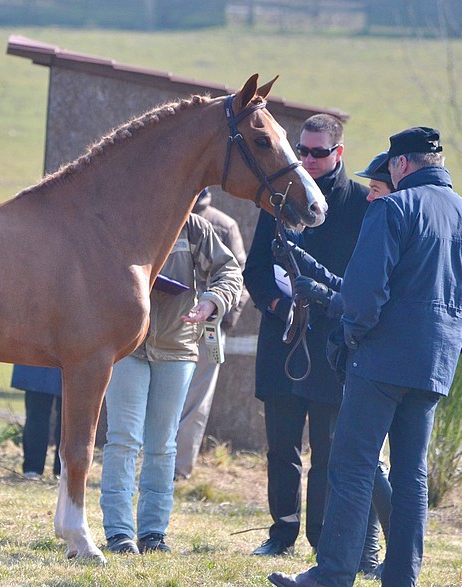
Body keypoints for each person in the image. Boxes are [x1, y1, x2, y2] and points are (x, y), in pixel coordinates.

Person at [268, 128, 462, 587]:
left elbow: (364, 295)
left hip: (381, 360)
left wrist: (351, 337)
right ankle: (401, 578)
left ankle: (333, 575)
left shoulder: (393, 207)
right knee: (412, 475)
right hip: (435, 360)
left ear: (400, 165)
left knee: (352, 464)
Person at [244, 114, 369, 557]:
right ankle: (282, 533)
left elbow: (365, 278)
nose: (309, 160)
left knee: (328, 451)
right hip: (283, 339)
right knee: (281, 448)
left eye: (318, 152)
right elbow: (254, 270)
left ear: (339, 153)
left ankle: (321, 537)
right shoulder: (279, 198)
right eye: (303, 151)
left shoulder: (360, 202)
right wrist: (279, 307)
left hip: (335, 343)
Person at [100, 213, 242, 555]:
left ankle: (153, 533)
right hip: (126, 344)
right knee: (122, 439)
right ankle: (119, 532)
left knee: (163, 444)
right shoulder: (120, 218)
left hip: (178, 349)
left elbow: (231, 271)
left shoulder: (193, 226)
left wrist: (213, 301)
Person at [174, 187, 249, 480]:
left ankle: (155, 464)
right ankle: (179, 470)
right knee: (196, 400)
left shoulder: (167, 216)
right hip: (209, 324)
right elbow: (237, 276)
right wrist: (225, 318)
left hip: (168, 319)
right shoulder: (224, 223)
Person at [11, 365, 62, 480]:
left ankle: (65, 469)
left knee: (69, 416)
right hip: (39, 357)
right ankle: (32, 468)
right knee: (36, 411)